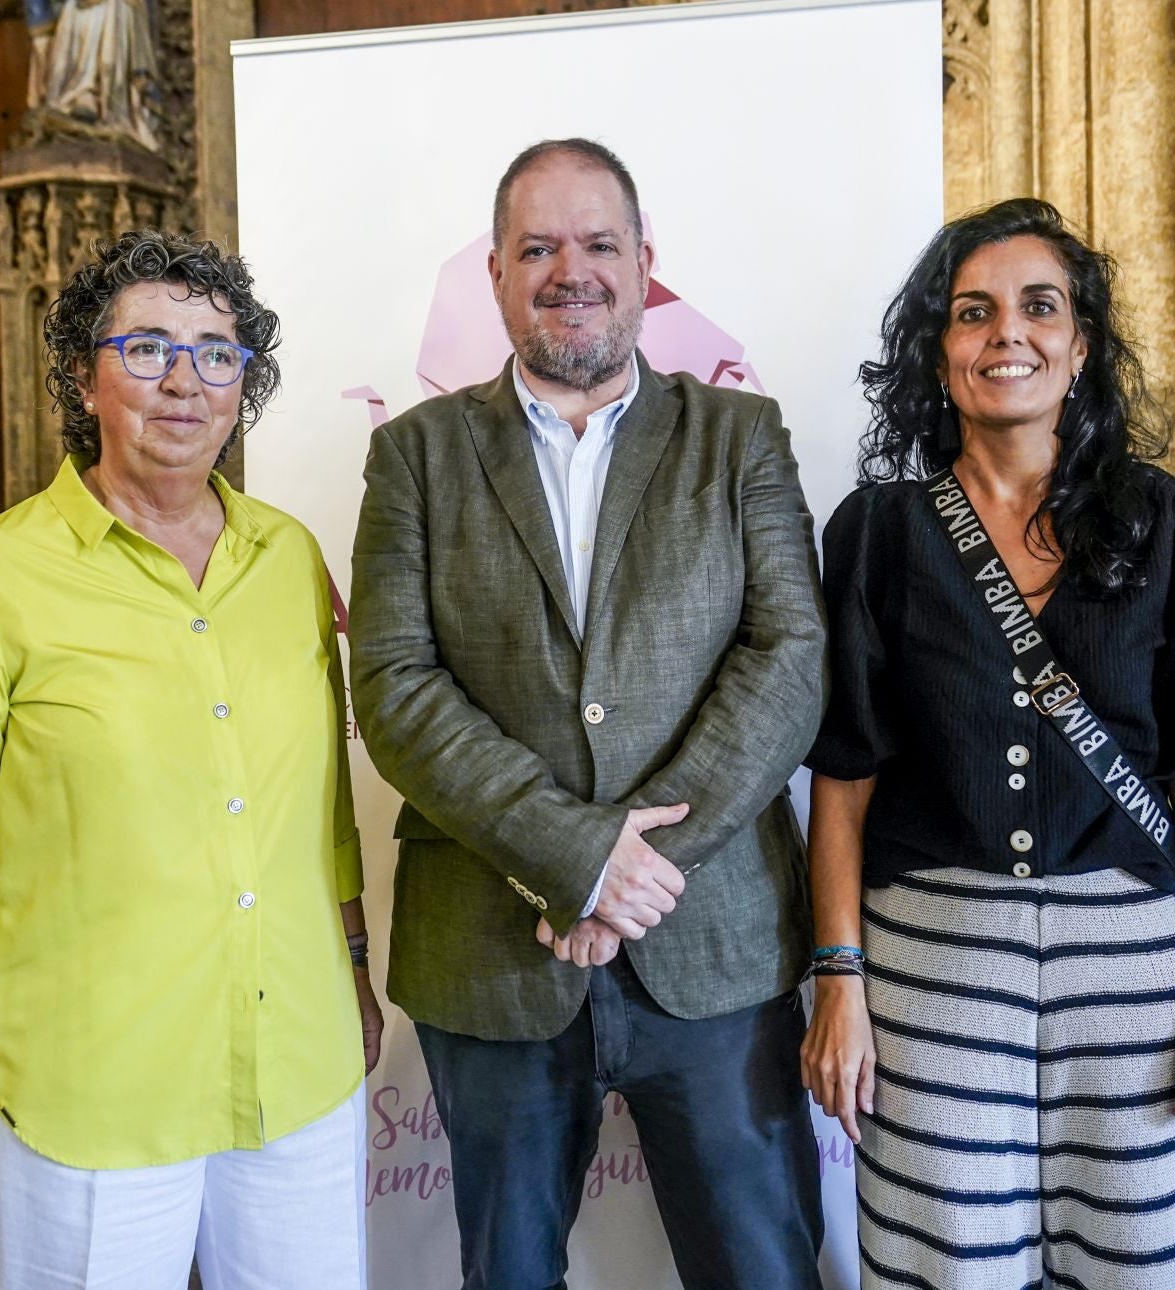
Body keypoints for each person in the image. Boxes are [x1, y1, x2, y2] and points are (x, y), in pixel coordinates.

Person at [350, 138, 828, 1290]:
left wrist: (637, 871)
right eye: (540, 247)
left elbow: (791, 658)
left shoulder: (739, 437)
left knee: (761, 1272)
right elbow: (396, 684)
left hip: (713, 952)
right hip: (492, 960)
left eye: (600, 243)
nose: (574, 270)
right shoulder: (414, 456)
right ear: (499, 278)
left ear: (646, 264)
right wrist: (576, 859)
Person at [0, 230, 380, 1288]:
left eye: (217, 353)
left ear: (245, 385)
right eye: (147, 348)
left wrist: (354, 976)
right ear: (81, 374)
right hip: (92, 1086)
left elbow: (321, 809)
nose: (185, 382)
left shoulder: (289, 558)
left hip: (295, 1062)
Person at [799, 197, 1175, 1289]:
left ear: (1081, 345)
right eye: (973, 313)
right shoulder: (877, 534)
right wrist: (840, 980)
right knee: (947, 1266)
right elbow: (844, 778)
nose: (1006, 333)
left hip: (1137, 978)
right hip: (930, 967)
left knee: (1138, 1265)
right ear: (940, 351)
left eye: (1038, 307)